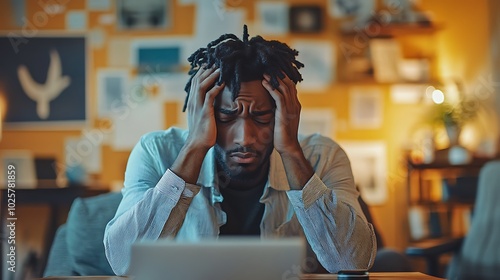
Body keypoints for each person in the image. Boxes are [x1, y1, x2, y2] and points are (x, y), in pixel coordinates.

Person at [104, 26, 376, 276]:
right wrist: (195, 146)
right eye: (226, 117)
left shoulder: (323, 156)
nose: (245, 138)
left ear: (285, 114)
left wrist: (291, 151)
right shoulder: (155, 152)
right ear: (201, 112)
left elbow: (351, 263)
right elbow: (123, 262)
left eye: (261, 117)